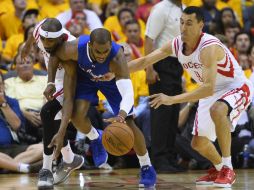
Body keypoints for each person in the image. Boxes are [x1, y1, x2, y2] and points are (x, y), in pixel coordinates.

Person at [128, 6, 253, 188]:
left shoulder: (208, 47)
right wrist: (114, 71)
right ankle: (218, 168)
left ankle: (228, 168)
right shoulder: (177, 44)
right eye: (181, 23)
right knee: (198, 142)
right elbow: (145, 60)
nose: (183, 28)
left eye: (189, 23)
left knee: (218, 110)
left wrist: (171, 99)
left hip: (235, 86)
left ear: (201, 25)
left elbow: (208, 89)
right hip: (211, 90)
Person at [44, 27, 156, 188]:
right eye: (98, 52)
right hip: (86, 78)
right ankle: (95, 137)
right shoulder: (75, 47)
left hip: (111, 80)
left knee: (129, 123)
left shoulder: (117, 58)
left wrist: (121, 116)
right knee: (76, 116)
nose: (102, 56)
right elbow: (55, 55)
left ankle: (146, 167)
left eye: (106, 51)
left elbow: (128, 94)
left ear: (111, 45)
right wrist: (50, 82)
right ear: (90, 45)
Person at [21, 18, 84, 189]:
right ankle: (70, 159)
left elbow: (70, 88)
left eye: (50, 41)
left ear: (60, 38)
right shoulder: (41, 33)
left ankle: (46, 170)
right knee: (51, 122)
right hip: (55, 81)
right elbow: (35, 28)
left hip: (71, 81)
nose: (46, 44)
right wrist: (27, 46)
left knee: (47, 112)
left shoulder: (71, 45)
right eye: (43, 40)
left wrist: (52, 84)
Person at [144, 0, 184, 173]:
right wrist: (149, 68)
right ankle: (159, 159)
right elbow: (148, 39)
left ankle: (169, 157)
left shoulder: (182, 9)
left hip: (177, 63)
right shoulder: (161, 9)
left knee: (173, 114)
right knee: (161, 114)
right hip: (160, 63)